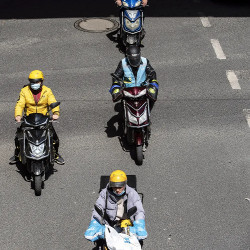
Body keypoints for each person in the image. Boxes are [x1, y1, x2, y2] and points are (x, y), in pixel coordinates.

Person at [9, 70, 64, 165]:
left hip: (44, 119)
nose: (34, 84)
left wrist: (55, 112)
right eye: (32, 82)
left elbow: (52, 101)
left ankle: (55, 154)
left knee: (54, 138)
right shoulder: (24, 91)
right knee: (18, 138)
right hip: (29, 119)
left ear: (41, 82)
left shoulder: (47, 91)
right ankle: (18, 154)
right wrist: (18, 115)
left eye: (37, 82)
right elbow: (20, 104)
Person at [84, 170, 147, 243]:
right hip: (109, 225)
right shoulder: (104, 193)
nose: (117, 190)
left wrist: (140, 225)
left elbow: (139, 211)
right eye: (115, 187)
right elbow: (98, 208)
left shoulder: (132, 193)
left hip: (126, 226)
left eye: (120, 187)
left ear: (124, 184)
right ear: (111, 185)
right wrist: (94, 224)